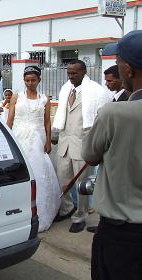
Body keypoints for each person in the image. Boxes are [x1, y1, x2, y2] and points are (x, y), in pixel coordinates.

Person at [81, 30, 142, 280]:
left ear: (127, 70)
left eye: (117, 64)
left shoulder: (114, 114)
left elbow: (89, 155)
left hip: (123, 236)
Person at [52, 59, 111, 233]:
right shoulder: (65, 89)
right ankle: (67, 208)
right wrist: (55, 135)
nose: (70, 76)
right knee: (63, 179)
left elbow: (101, 121)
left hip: (83, 145)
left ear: (84, 72)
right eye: (68, 72)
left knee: (82, 184)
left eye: (74, 73)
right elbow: (61, 116)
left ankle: (81, 216)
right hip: (64, 144)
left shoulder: (96, 92)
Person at [6, 66, 60, 232]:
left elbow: (47, 122)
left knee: (38, 173)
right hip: (18, 137)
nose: (30, 83)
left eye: (33, 80)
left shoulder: (44, 99)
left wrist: (49, 141)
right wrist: (6, 138)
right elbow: (11, 118)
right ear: (24, 81)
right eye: (27, 80)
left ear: (39, 80)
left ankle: (40, 212)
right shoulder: (16, 97)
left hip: (37, 139)